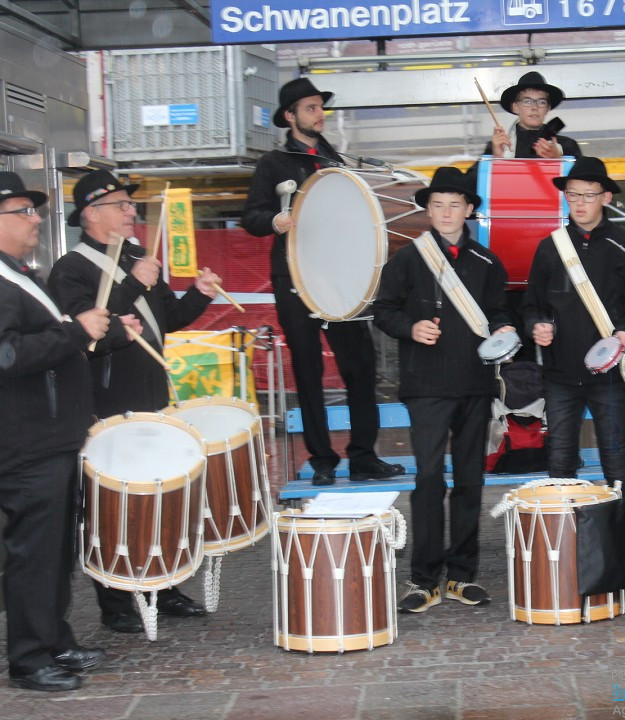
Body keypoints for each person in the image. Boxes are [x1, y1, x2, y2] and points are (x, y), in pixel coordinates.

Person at [48, 169, 218, 633]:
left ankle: (162, 588)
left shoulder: (137, 255)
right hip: (106, 405)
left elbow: (169, 320)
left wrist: (197, 296)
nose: (130, 213)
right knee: (113, 506)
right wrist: (136, 283)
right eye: (121, 205)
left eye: (130, 205)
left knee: (159, 498)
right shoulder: (72, 269)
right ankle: (117, 604)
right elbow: (90, 337)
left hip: (151, 398)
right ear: (91, 213)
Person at [241, 77, 404, 486]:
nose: (320, 114)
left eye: (320, 107)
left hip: (339, 276)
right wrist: (274, 221)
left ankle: (364, 456)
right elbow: (251, 217)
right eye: (311, 108)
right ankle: (323, 460)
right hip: (295, 278)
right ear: (289, 116)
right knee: (308, 369)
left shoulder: (336, 159)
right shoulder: (274, 164)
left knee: (360, 367)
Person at [374, 167, 513, 612]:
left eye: (455, 204)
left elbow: (498, 314)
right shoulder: (407, 259)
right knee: (429, 480)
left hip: (475, 385)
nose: (446, 212)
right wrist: (410, 327)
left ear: (470, 210)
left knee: (471, 481)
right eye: (437, 205)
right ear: (427, 209)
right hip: (427, 387)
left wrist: (506, 331)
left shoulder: (489, 263)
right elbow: (383, 311)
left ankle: (462, 576)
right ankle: (423, 580)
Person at [521, 157, 625, 599]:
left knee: (616, 468)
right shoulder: (549, 246)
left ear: (607, 197)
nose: (579, 203)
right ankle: (567, 560)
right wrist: (537, 324)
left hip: (608, 376)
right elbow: (532, 305)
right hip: (559, 376)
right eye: (572, 195)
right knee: (560, 467)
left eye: (588, 195)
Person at [0, 172, 107, 691]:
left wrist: (82, 331)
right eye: (22, 211)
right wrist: (73, 332)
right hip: (26, 442)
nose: (36, 218)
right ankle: (29, 657)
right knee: (33, 554)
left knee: (55, 552)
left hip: (52, 438)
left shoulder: (22, 274)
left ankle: (55, 638)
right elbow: (7, 354)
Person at [477, 71, 582, 162]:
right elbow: (470, 184)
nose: (534, 107)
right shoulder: (498, 146)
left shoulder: (567, 146)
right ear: (515, 107)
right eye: (527, 101)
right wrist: (496, 158)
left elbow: (587, 181)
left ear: (548, 108)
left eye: (541, 102)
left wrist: (559, 160)